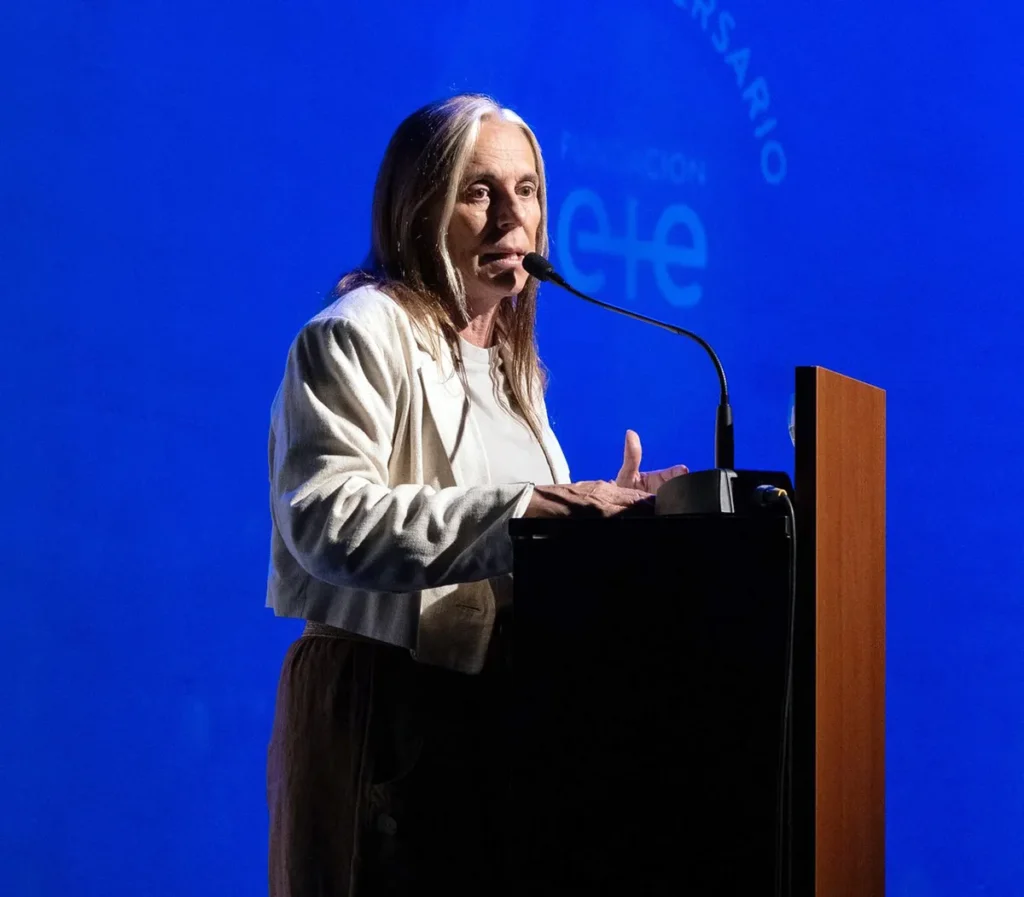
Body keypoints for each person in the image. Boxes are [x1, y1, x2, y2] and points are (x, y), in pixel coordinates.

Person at [265, 93, 688, 897]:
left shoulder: (513, 373)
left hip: (497, 714)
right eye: (479, 190)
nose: (511, 217)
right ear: (419, 205)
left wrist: (610, 528)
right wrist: (534, 509)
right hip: (382, 708)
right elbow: (328, 522)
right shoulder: (355, 333)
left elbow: (519, 544)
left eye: (527, 190)